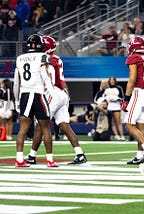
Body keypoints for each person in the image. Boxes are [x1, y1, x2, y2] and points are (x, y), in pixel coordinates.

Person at [24, 36, 87, 165]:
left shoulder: (45, 59)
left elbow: (45, 78)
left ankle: (32, 155)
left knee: (40, 125)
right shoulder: (57, 59)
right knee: (64, 125)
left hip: (52, 92)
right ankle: (80, 154)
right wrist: (67, 95)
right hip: (62, 93)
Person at [13, 34, 57, 167]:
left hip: (25, 94)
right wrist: (52, 93)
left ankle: (19, 159)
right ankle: (49, 159)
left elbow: (16, 82)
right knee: (45, 128)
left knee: (23, 129)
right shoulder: (43, 57)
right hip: (38, 94)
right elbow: (45, 77)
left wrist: (16, 100)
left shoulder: (20, 58)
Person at [120, 36, 144, 164]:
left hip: (137, 92)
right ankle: (139, 156)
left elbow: (132, 79)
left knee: (129, 124)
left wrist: (126, 99)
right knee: (141, 126)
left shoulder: (134, 58)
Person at [104, 76, 125, 140]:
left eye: (113, 80)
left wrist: (117, 99)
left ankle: (122, 135)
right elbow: (105, 97)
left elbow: (122, 97)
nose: (112, 81)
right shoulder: (107, 89)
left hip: (116, 106)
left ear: (115, 81)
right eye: (111, 80)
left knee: (119, 122)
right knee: (112, 122)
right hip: (110, 107)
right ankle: (116, 135)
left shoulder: (119, 88)